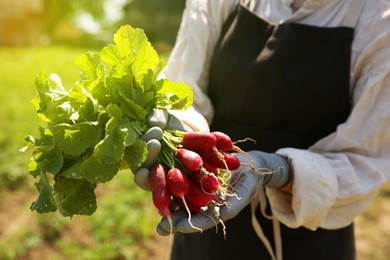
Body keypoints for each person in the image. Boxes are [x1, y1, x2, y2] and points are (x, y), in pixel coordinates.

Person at [138, 0, 390, 259]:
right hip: (203, 209)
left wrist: (280, 170)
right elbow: (184, 90)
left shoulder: (379, 21)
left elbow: (365, 159)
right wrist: (182, 134)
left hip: (311, 239)